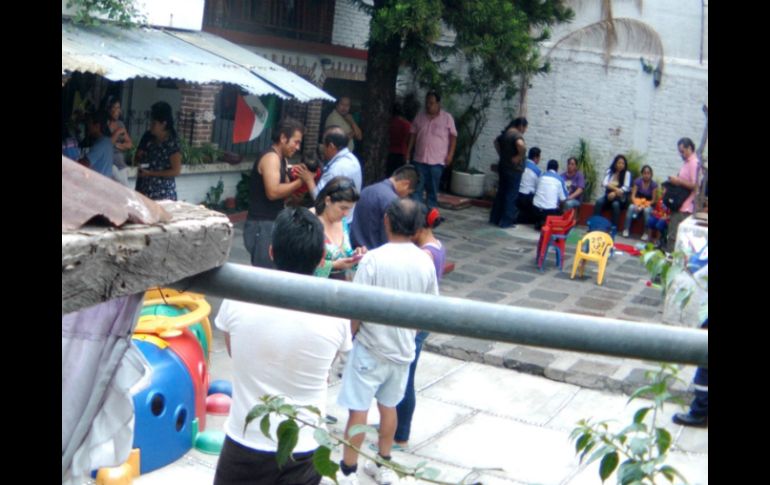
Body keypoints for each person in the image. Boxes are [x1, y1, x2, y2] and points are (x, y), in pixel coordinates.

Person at [213, 207, 353, 485]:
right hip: (305, 446)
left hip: (246, 441)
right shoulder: (336, 314)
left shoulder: (238, 297)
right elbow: (329, 365)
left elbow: (232, 349)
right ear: (322, 258)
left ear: (271, 251)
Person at [337, 198, 439, 485]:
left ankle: (348, 470)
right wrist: (410, 334)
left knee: (358, 410)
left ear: (386, 221)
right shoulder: (425, 261)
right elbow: (431, 308)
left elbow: (356, 307)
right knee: (389, 407)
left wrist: (349, 339)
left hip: (369, 347)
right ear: (417, 227)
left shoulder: (374, 259)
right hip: (403, 349)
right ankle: (384, 462)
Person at [392, 204, 446, 451]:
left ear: (420, 228)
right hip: (422, 320)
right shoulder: (437, 246)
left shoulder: (425, 255)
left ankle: (400, 435)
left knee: (405, 380)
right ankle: (393, 425)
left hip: (416, 323)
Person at [243, 118, 314, 268]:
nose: (298, 147)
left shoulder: (282, 160)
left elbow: (284, 192)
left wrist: (297, 192)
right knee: (264, 274)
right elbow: (273, 192)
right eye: (296, 142)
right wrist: (301, 182)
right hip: (262, 225)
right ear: (283, 138)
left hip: (272, 223)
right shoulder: (271, 158)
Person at [406, 90, 457, 210]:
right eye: (427, 103)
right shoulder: (420, 116)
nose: (428, 105)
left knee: (432, 191)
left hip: (437, 161)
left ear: (438, 104)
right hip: (419, 159)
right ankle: (417, 213)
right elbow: (413, 135)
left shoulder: (447, 118)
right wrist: (408, 152)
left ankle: (431, 214)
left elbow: (453, 137)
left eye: (431, 103)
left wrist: (450, 155)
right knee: (416, 189)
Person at [349, 165, 419, 250]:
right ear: (406, 184)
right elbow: (389, 237)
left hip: (355, 250)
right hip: (376, 252)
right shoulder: (393, 201)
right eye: (408, 193)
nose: (406, 196)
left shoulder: (366, 190)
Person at [313, 176, 367, 280]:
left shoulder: (343, 221)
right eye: (343, 208)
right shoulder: (309, 221)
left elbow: (345, 255)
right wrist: (334, 265)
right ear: (328, 200)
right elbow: (302, 264)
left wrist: (355, 256)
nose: (346, 213)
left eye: (349, 209)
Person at [307, 126, 363, 224]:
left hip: (335, 222)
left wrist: (308, 180)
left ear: (331, 146)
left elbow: (318, 198)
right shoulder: (353, 159)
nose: (323, 149)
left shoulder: (336, 169)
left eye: (324, 145)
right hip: (347, 218)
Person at [134, 101, 182, 201]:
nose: (150, 125)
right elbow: (137, 156)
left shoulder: (172, 142)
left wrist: (151, 173)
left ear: (163, 124)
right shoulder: (148, 137)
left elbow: (176, 170)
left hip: (162, 194)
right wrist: (139, 161)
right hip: (144, 189)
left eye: (154, 123)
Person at [665, 137, 699, 253]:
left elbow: (695, 186)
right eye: (680, 152)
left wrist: (678, 181)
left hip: (685, 207)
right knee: (672, 236)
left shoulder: (694, 163)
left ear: (689, 148)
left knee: (675, 237)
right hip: (679, 204)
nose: (681, 154)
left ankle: (670, 259)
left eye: (683, 151)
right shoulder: (687, 162)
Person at [489, 128, 527, 228]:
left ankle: (494, 218)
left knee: (501, 193)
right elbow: (521, 145)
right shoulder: (516, 135)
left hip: (503, 167)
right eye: (525, 127)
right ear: (521, 126)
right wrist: (519, 156)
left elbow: (495, 141)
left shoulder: (505, 134)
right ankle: (506, 222)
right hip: (514, 170)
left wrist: (501, 154)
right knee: (511, 195)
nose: (525, 130)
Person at [592, 154, 631, 229]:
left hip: (620, 198)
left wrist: (614, 193)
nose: (621, 165)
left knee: (615, 205)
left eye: (623, 163)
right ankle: (595, 225)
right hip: (608, 195)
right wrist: (616, 189)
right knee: (599, 202)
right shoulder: (610, 171)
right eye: (619, 163)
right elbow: (604, 183)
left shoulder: (627, 173)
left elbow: (626, 187)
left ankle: (613, 227)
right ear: (615, 163)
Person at [101, 95, 133, 187]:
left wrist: (118, 145)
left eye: (118, 107)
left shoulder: (120, 124)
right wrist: (117, 132)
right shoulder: (103, 124)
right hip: (108, 165)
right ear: (108, 109)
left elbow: (129, 144)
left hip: (120, 165)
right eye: (113, 107)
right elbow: (106, 144)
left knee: (125, 189)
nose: (116, 111)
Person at [622, 165, 658, 238]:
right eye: (644, 173)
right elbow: (633, 196)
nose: (646, 175)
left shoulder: (654, 185)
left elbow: (653, 200)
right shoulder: (637, 182)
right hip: (637, 202)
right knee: (631, 207)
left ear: (651, 174)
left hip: (648, 204)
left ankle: (646, 233)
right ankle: (626, 229)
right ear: (642, 174)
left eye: (648, 173)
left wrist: (643, 206)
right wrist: (637, 204)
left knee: (647, 211)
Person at [532, 159, 568, 231]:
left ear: (547, 168)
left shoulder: (541, 176)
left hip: (535, 209)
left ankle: (539, 222)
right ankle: (548, 223)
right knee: (560, 207)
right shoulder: (560, 179)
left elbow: (535, 190)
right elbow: (563, 198)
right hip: (550, 211)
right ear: (557, 169)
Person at [80, 111, 114, 178]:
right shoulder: (106, 141)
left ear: (97, 126)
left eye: (89, 123)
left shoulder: (101, 144)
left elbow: (84, 164)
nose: (87, 126)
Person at [516, 147, 542, 224]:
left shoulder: (521, 164)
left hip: (516, 193)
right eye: (539, 157)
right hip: (527, 197)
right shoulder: (537, 171)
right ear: (535, 158)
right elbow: (538, 187)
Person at [386, 102, 412, 177]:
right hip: (402, 153)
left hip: (391, 152)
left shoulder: (389, 123)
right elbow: (409, 139)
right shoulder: (407, 124)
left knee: (390, 175)